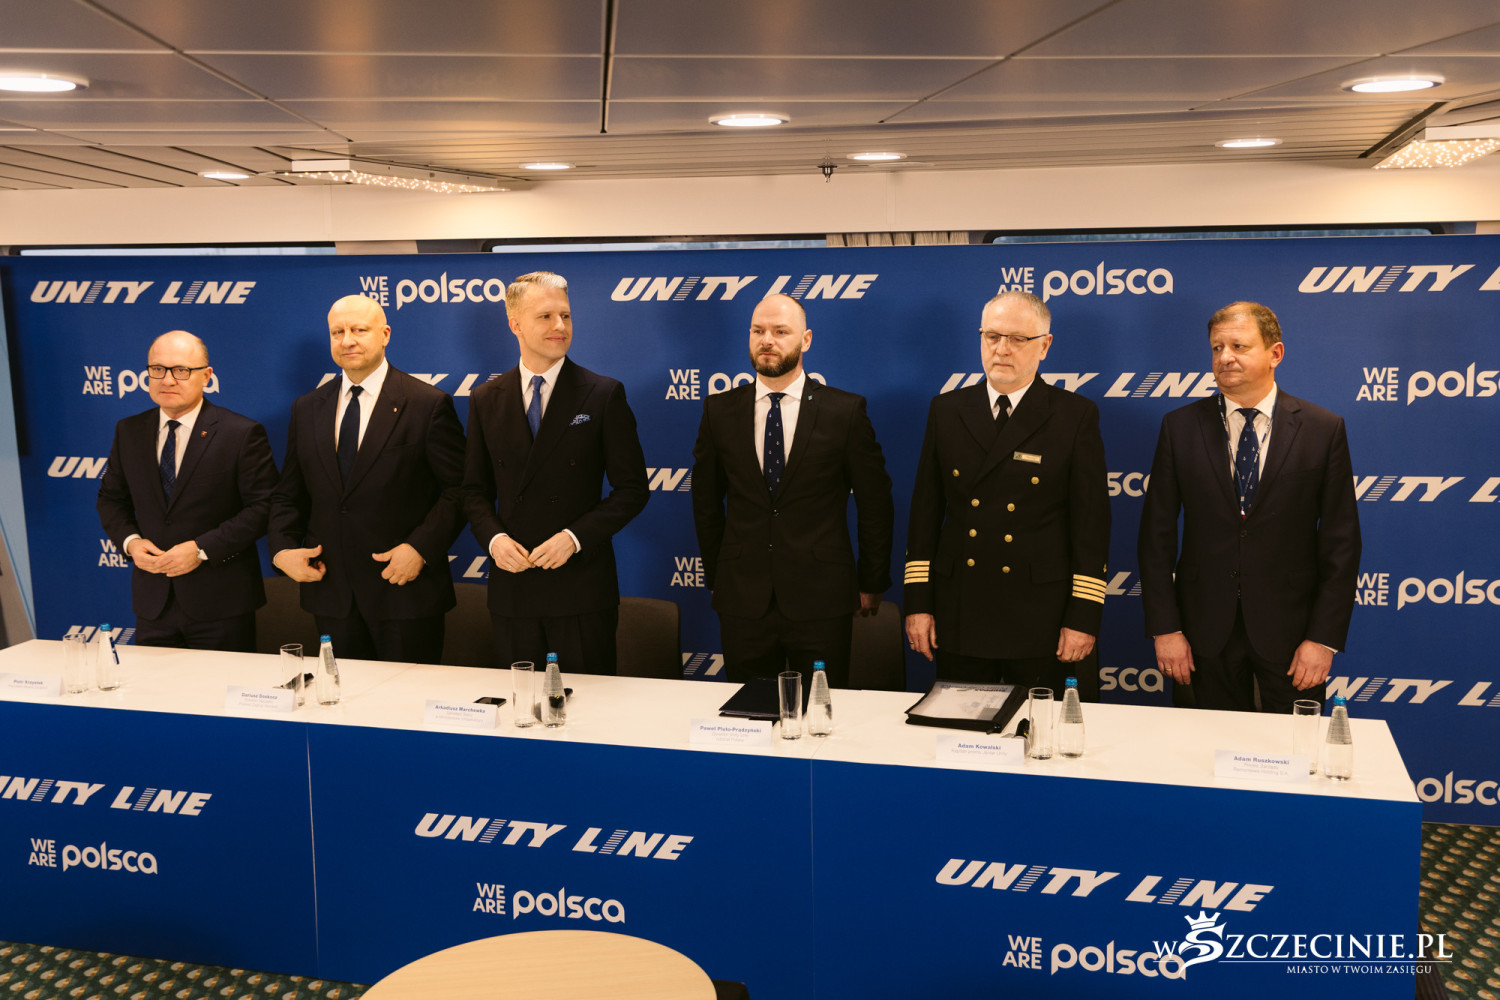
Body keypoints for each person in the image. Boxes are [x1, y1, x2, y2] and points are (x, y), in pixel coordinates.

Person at [1138, 301, 1359, 713]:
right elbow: (1156, 538)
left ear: (1275, 353)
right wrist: (1165, 628)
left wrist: (1323, 639)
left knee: (1293, 749)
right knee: (1203, 748)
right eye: (1217, 348)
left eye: (1238, 346)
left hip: (1293, 636)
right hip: (1202, 635)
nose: (1225, 357)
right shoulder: (1179, 427)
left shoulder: (1322, 429)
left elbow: (1341, 544)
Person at [904, 290, 1109, 697]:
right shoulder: (946, 410)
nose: (1001, 349)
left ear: (1044, 346)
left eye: (1018, 339)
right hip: (960, 610)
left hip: (1040, 616)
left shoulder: (1073, 416)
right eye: (992, 336)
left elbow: (1091, 527)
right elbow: (924, 518)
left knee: (1039, 729)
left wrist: (1083, 617)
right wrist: (918, 605)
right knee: (960, 727)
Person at [691, 293, 893, 688]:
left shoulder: (845, 411)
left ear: (806, 340)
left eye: (780, 331)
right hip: (742, 599)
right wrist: (717, 575)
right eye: (758, 331)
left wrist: (871, 582)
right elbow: (706, 502)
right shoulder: (719, 410)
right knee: (749, 712)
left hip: (823, 599)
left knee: (820, 711)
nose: (767, 340)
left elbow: (875, 504)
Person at [459, 271, 648, 674]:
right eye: (545, 316)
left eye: (565, 315)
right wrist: (494, 540)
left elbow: (632, 490)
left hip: (581, 587)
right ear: (515, 324)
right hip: (513, 587)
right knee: (522, 705)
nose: (560, 326)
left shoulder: (602, 394)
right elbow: (473, 491)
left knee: (590, 704)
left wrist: (573, 538)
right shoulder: (485, 399)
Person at [269, 294, 466, 663]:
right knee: (340, 698)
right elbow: (288, 494)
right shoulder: (306, 408)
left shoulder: (427, 404)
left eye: (359, 330)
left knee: (408, 699)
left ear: (385, 334)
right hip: (330, 594)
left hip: (404, 591)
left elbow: (460, 490)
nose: (347, 341)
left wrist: (420, 548)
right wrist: (282, 551)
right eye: (337, 332)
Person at [97, 330, 278, 651]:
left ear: (206, 376)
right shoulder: (129, 430)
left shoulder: (241, 433)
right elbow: (111, 499)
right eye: (157, 369)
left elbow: (263, 507)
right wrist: (131, 543)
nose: (167, 380)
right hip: (153, 604)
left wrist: (201, 549)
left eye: (181, 370)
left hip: (221, 603)